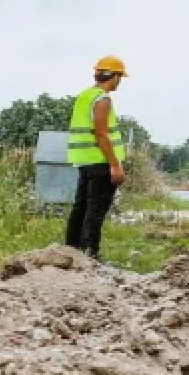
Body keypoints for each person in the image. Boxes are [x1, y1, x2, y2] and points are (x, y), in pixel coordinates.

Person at [65, 55, 128, 260]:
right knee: (95, 210)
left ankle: (72, 250)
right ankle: (89, 254)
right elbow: (101, 134)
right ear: (115, 76)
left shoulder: (84, 96)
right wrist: (115, 165)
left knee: (81, 206)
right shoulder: (102, 99)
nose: (120, 82)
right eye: (120, 77)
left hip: (84, 160)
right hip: (100, 161)